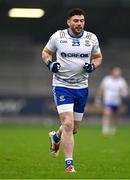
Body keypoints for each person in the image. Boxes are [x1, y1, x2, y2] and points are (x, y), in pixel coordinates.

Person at [42, 8, 103, 172]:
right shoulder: (58, 36)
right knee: (68, 124)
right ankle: (69, 165)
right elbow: (46, 53)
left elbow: (98, 57)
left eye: (82, 21)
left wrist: (93, 66)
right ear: (69, 22)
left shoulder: (91, 38)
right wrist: (50, 64)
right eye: (76, 21)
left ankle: (56, 136)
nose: (79, 24)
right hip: (62, 85)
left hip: (81, 87)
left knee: (73, 129)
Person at [95, 66, 128, 135]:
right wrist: (98, 99)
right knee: (107, 113)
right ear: (112, 71)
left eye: (118, 71)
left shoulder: (121, 81)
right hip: (108, 100)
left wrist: (124, 92)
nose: (117, 73)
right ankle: (105, 129)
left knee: (115, 115)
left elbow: (125, 91)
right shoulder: (107, 79)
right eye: (116, 71)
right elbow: (101, 89)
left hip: (117, 101)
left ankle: (113, 128)